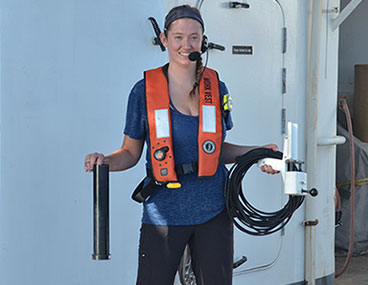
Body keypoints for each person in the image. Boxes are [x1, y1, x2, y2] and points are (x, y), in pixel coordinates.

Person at [84, 5, 278, 285]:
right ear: (164, 39)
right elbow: (129, 153)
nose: (186, 45)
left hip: (214, 210)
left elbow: (216, 151)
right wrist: (105, 161)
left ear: (203, 41)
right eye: (178, 37)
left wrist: (259, 153)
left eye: (194, 37)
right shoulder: (143, 91)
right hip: (164, 213)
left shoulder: (217, 88)